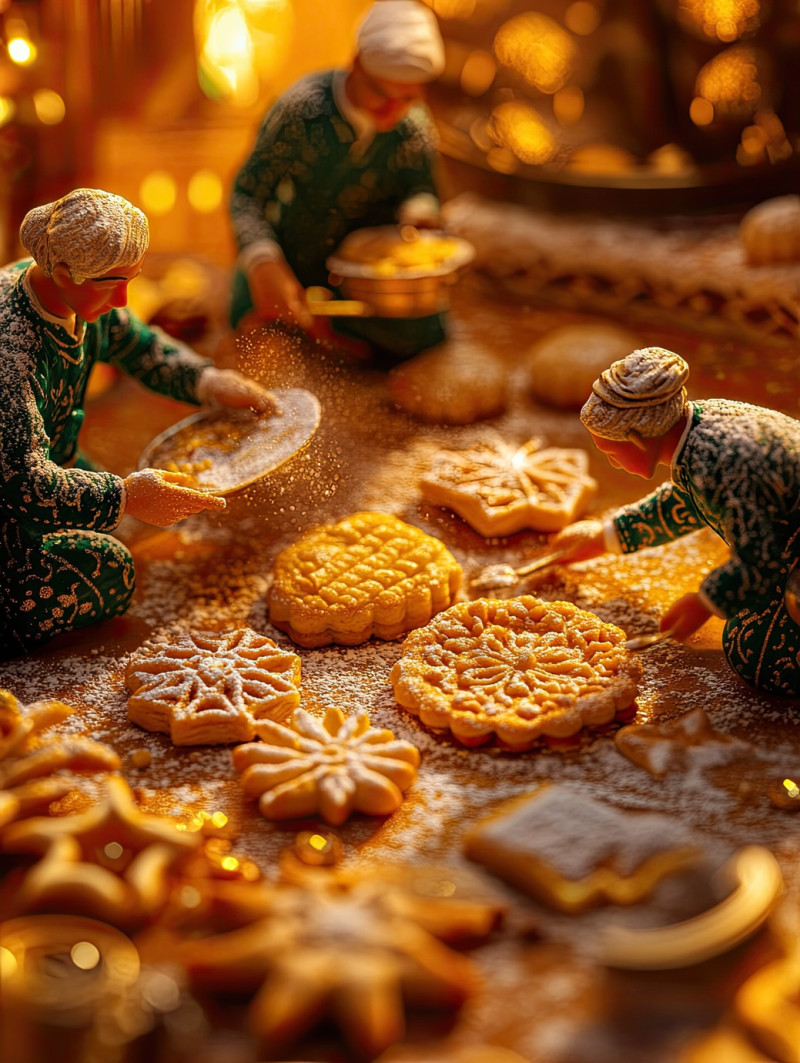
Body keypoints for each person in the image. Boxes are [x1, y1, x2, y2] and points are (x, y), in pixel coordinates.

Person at [0, 187, 274, 658]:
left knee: (119, 526)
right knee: (114, 572)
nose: (124, 298)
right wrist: (125, 495)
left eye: (133, 278)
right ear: (63, 272)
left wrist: (207, 381)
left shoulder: (81, 294)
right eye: (112, 283)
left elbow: (139, 346)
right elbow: (25, 485)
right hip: (10, 505)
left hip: (51, 464)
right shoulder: (11, 352)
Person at [548, 347, 800, 697]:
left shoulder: (725, 461)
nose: (613, 466)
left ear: (637, 440)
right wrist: (606, 536)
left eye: (611, 454)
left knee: (758, 657)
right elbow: (688, 503)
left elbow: (761, 555)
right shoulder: (699, 431)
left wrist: (706, 602)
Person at [229, 0, 448, 364]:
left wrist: (419, 212)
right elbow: (246, 194)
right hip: (294, 266)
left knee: (422, 333)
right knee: (258, 333)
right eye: (381, 94)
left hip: (372, 285)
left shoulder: (415, 127)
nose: (391, 112)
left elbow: (422, 188)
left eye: (408, 99)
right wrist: (262, 261)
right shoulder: (301, 111)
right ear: (356, 63)